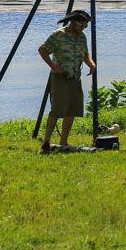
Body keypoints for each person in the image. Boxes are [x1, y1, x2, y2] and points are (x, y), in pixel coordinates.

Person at [38, 9, 95, 153]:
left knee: (72, 110)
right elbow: (43, 50)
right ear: (72, 23)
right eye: (80, 25)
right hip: (60, 77)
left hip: (75, 77)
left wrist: (91, 64)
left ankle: (63, 141)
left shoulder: (82, 37)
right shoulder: (59, 35)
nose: (82, 28)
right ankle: (46, 142)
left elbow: (85, 54)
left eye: (85, 26)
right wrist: (53, 66)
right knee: (57, 110)